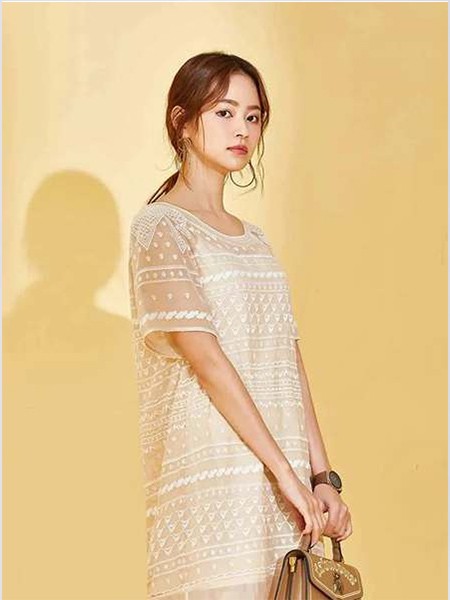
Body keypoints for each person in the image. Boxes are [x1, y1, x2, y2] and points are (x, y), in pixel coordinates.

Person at [128, 51, 352, 600]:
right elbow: (206, 360)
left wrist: (320, 477)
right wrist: (287, 476)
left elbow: (288, 361)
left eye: (253, 117)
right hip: (217, 469)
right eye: (225, 113)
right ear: (182, 121)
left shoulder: (255, 240)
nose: (242, 130)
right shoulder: (161, 228)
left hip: (284, 476)